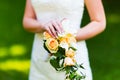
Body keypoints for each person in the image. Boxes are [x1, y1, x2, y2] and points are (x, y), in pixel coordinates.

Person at [23, 0, 106, 80]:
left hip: (71, 58)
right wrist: (42, 25)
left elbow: (99, 21)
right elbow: (27, 20)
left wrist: (66, 37)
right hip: (39, 62)